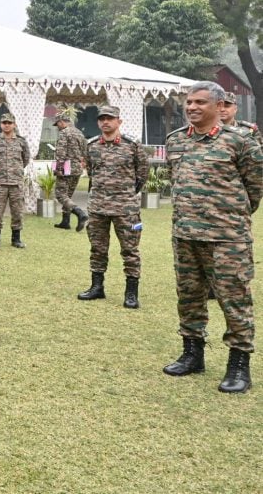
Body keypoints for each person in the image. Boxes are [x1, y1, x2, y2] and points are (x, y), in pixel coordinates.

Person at [162, 81, 261, 394]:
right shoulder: (175, 141)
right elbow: (175, 180)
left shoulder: (240, 141)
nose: (192, 107)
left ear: (219, 106)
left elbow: (255, 187)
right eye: (189, 102)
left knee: (234, 299)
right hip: (185, 234)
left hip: (227, 238)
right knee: (189, 297)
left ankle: (238, 365)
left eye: (200, 102)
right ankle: (192, 354)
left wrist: (229, 216)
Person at [77, 105, 148, 308]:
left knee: (130, 250)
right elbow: (91, 172)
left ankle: (131, 293)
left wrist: (126, 194)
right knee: (97, 249)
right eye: (102, 119)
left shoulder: (132, 145)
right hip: (98, 207)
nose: (105, 122)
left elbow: (142, 173)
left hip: (126, 209)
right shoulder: (91, 145)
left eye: (110, 118)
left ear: (119, 121)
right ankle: (97, 287)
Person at [0, 113, 30, 249]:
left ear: (14, 125)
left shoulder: (21, 142)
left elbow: (25, 159)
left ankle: (16, 239)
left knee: (17, 212)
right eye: (4, 123)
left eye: (9, 123)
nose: (6, 125)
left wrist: (15, 171)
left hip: (16, 183)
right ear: (1, 124)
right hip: (0, 183)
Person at [52, 112, 89, 231]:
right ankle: (65, 221)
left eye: (57, 124)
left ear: (62, 122)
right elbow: (85, 151)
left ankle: (80, 213)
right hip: (77, 168)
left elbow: (60, 152)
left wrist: (58, 168)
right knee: (68, 195)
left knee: (60, 195)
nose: (57, 127)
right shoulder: (79, 133)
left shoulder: (64, 133)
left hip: (66, 167)